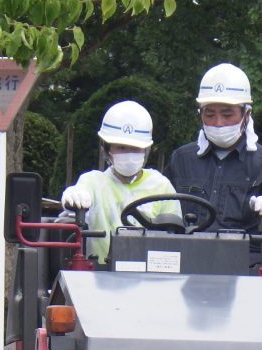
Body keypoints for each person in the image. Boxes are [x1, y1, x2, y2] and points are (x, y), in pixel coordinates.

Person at [165, 63, 262, 248]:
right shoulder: (181, 159)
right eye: (210, 114)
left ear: (246, 114)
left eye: (227, 114)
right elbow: (158, 204)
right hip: (185, 258)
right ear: (200, 114)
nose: (218, 122)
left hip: (245, 264)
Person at [60, 100, 180, 264]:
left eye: (135, 148)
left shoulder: (162, 186)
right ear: (107, 149)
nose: (129, 154)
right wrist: (73, 198)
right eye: (122, 148)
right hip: (99, 276)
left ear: (146, 150)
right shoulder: (93, 182)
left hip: (151, 278)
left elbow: (176, 239)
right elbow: (79, 198)